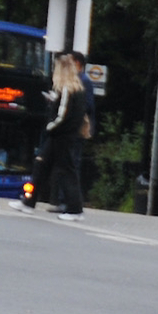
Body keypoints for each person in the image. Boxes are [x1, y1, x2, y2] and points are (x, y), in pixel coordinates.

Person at [37, 52, 93, 216]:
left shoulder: (80, 83)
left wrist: (51, 126)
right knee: (45, 164)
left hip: (67, 133)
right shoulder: (72, 85)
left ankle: (69, 205)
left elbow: (80, 110)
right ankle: (31, 199)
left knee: (67, 168)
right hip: (63, 132)